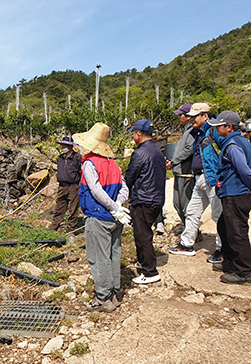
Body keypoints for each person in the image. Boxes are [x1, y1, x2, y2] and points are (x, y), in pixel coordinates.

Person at [73, 123, 130, 312]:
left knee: (99, 257)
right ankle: (114, 293)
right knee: (114, 254)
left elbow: (95, 190)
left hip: (98, 216)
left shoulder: (90, 163)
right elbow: (124, 188)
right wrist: (119, 206)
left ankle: (103, 297)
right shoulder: (113, 164)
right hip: (114, 218)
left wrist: (114, 206)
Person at [209, 111, 251, 285]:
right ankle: (229, 261)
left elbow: (245, 170)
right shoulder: (244, 142)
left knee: (237, 232)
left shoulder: (232, 145)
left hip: (235, 194)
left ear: (229, 127)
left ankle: (244, 273)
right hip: (237, 193)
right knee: (224, 226)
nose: (216, 129)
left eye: (219, 126)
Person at [169, 103, 223, 263]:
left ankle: (223, 249)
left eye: (194, 116)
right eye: (190, 116)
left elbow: (224, 151)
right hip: (199, 177)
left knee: (218, 214)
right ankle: (186, 245)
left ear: (205, 116)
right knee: (192, 212)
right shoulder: (198, 132)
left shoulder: (214, 132)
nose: (191, 119)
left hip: (212, 178)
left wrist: (221, 174)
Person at [125, 120, 166, 284]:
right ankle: (143, 261)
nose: (133, 136)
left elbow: (130, 176)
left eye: (134, 133)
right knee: (145, 232)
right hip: (156, 199)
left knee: (142, 236)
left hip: (144, 199)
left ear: (138, 134)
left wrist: (122, 193)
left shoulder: (140, 153)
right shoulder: (157, 150)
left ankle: (150, 272)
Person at [166, 103, 196, 227]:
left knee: (185, 205)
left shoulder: (192, 131)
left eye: (181, 115)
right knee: (177, 204)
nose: (179, 118)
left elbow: (189, 149)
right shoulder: (186, 131)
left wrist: (174, 162)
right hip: (179, 172)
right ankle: (189, 229)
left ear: (188, 116)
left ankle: (193, 232)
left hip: (186, 172)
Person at [50, 136, 82, 232]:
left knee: (73, 209)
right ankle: (53, 228)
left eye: (64, 145)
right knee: (59, 207)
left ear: (69, 146)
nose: (62, 147)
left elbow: (81, 170)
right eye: (62, 145)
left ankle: (71, 229)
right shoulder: (60, 158)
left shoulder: (77, 157)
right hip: (62, 186)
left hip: (73, 186)